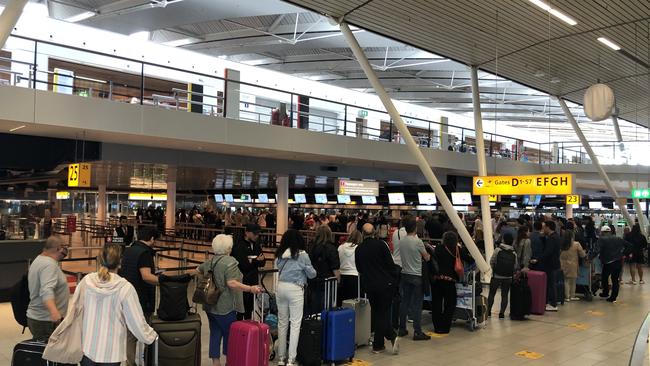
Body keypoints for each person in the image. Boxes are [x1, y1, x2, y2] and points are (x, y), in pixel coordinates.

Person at [72, 245, 157, 365]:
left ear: (100, 260)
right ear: (120, 262)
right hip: (111, 353)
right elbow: (136, 322)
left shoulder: (86, 282)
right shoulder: (125, 288)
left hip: (87, 348)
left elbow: (75, 311)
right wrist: (151, 336)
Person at [196, 234, 262, 366]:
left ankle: (216, 362)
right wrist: (250, 288)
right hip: (225, 305)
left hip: (210, 304)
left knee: (215, 332)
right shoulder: (230, 262)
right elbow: (232, 283)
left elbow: (197, 270)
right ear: (228, 248)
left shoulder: (211, 261)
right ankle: (229, 361)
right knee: (229, 334)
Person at [355, 223, 400, 355]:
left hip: (369, 286)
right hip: (385, 285)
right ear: (374, 233)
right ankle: (391, 336)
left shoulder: (359, 249)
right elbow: (390, 265)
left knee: (377, 312)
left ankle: (379, 345)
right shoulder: (381, 245)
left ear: (362, 234)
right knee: (382, 313)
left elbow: (359, 269)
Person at [120, 226, 161, 366]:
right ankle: (141, 362)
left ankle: (129, 362)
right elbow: (146, 276)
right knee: (143, 333)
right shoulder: (144, 253)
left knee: (129, 336)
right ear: (151, 239)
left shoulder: (129, 249)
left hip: (127, 297)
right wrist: (163, 280)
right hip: (141, 299)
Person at [275, 230, 317, 366]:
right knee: (295, 324)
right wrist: (305, 267)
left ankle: (281, 358)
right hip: (295, 289)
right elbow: (312, 274)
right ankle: (291, 359)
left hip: (280, 287)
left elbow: (278, 268)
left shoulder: (280, 254)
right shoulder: (303, 255)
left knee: (282, 323)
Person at [26, 236, 69, 341]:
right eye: (65, 247)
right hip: (47, 321)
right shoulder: (49, 265)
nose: (66, 250)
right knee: (49, 355)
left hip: (39, 319)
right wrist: (54, 312)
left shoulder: (39, 259)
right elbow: (46, 290)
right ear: (58, 248)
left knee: (42, 354)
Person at [431, 231, 474, 334]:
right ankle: (445, 327)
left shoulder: (438, 248)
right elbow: (471, 260)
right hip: (450, 282)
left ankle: (437, 327)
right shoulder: (457, 250)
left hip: (437, 280)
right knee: (450, 304)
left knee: (436, 304)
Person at [397, 215, 431, 340]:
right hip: (417, 276)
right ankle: (417, 332)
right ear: (415, 228)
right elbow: (426, 257)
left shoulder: (402, 241)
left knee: (404, 302)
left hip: (404, 274)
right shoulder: (418, 242)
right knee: (417, 304)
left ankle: (402, 329)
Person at [231, 223, 265, 320]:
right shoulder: (239, 246)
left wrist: (253, 261)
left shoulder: (256, 245)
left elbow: (263, 261)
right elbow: (244, 265)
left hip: (253, 281)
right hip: (242, 282)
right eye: (255, 234)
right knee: (241, 309)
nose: (257, 236)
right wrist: (256, 261)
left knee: (249, 309)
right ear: (247, 233)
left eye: (258, 234)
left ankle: (248, 329)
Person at [307, 225, 341, 314]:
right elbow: (335, 268)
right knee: (326, 307)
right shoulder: (331, 248)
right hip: (327, 282)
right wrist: (338, 281)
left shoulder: (311, 246)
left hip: (313, 281)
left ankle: (314, 324)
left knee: (314, 305)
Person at [487, 233, 518, 319]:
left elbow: (491, 261)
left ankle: (488, 312)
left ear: (504, 240)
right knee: (504, 295)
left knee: (492, 293)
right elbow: (515, 266)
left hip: (496, 276)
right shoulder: (513, 253)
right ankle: (501, 314)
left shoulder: (498, 250)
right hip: (508, 277)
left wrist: (495, 269)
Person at [598, 226, 632, 303]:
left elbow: (597, 250)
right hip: (618, 261)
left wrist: (589, 258)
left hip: (608, 262)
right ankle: (613, 297)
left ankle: (605, 292)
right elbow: (630, 246)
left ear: (602, 232)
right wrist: (624, 254)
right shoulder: (618, 238)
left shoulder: (602, 239)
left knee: (604, 277)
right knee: (615, 280)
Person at [540, 221, 561, 311]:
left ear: (548, 227)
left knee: (551, 284)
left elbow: (548, 252)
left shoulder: (552, 238)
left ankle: (553, 304)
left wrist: (539, 258)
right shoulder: (556, 236)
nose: (543, 229)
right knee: (552, 284)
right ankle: (552, 302)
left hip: (550, 264)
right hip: (555, 263)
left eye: (544, 227)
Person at [560, 230, 586, 302]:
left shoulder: (562, 244)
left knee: (566, 281)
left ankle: (566, 297)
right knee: (573, 281)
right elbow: (582, 254)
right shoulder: (576, 244)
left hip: (563, 264)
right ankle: (572, 296)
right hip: (573, 265)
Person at [338, 230, 362, 305]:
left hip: (342, 276)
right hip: (355, 277)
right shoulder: (359, 248)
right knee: (354, 304)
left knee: (341, 302)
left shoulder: (341, 247)